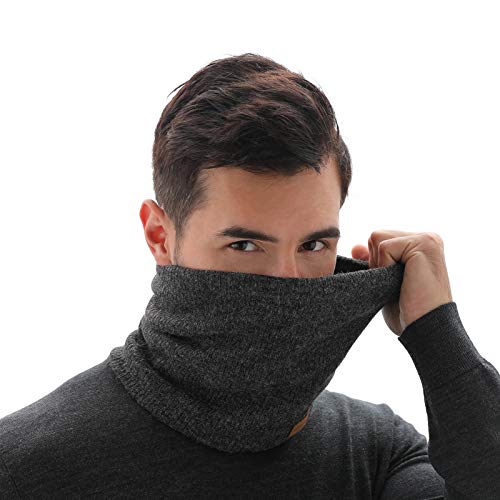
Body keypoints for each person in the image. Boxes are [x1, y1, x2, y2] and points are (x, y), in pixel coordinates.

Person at [1, 53, 499, 499]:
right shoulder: (23, 468)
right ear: (159, 236)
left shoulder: (375, 455)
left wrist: (438, 335)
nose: (287, 281)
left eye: (313, 246)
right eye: (244, 245)